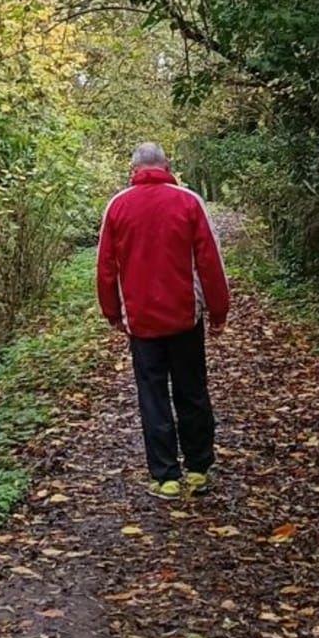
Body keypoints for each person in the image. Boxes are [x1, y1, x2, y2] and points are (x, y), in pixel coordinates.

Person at [96, 141, 231, 498]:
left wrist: (112, 312)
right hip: (185, 317)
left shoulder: (117, 206)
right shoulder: (188, 201)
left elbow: (106, 267)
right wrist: (218, 312)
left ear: (133, 170)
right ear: (167, 165)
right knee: (192, 390)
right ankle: (199, 469)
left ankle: (166, 476)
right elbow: (210, 261)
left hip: (141, 322)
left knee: (153, 396)